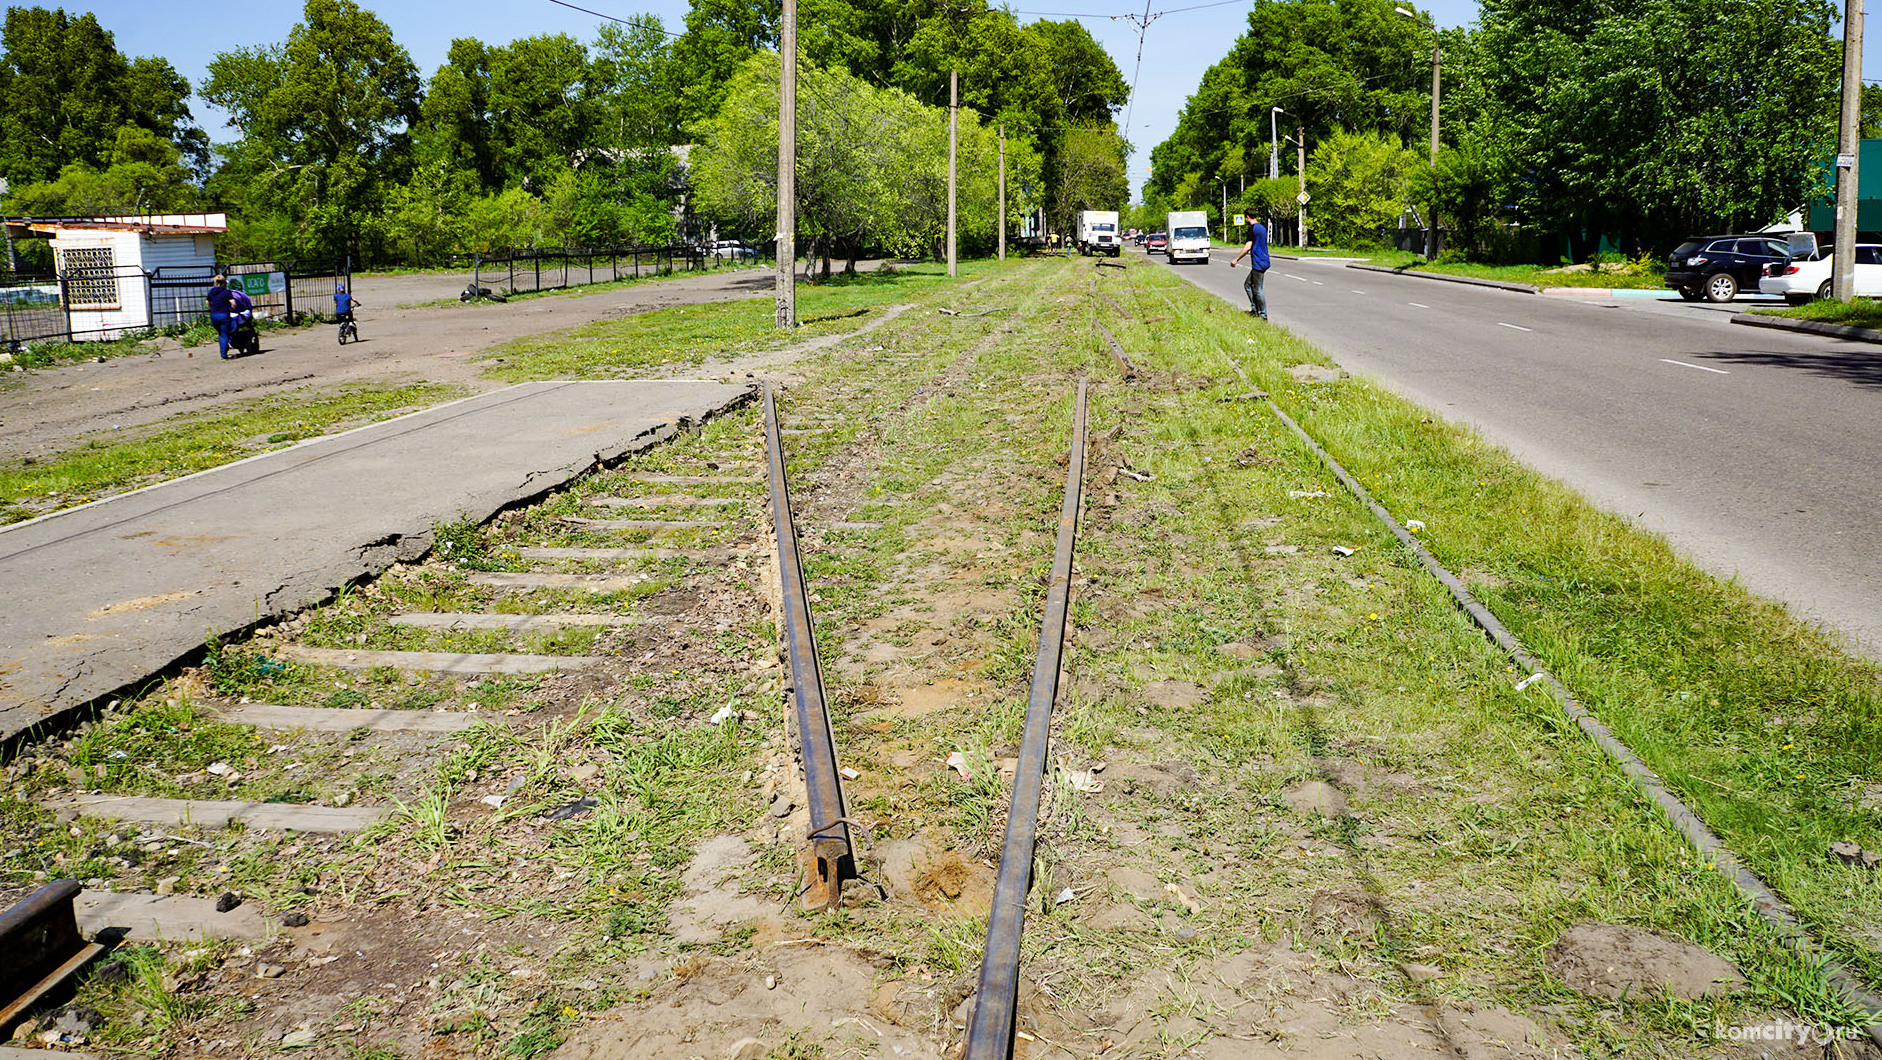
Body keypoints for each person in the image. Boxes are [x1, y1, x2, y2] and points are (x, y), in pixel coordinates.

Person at [1229, 216, 1271, 319]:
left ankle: (1262, 314)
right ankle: (1255, 310)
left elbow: (1248, 247)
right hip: (1264, 260)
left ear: (1247, 217)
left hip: (1258, 262)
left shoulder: (1252, 229)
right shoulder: (1262, 227)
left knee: (1257, 289)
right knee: (1248, 285)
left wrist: (1236, 259)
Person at [205, 276, 236, 359]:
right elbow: (233, 303)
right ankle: (223, 354)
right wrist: (231, 309)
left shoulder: (211, 292)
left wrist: (212, 307)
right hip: (224, 314)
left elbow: (207, 302)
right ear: (223, 282)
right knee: (224, 334)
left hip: (214, 315)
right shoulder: (226, 292)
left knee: (220, 334)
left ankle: (223, 351)